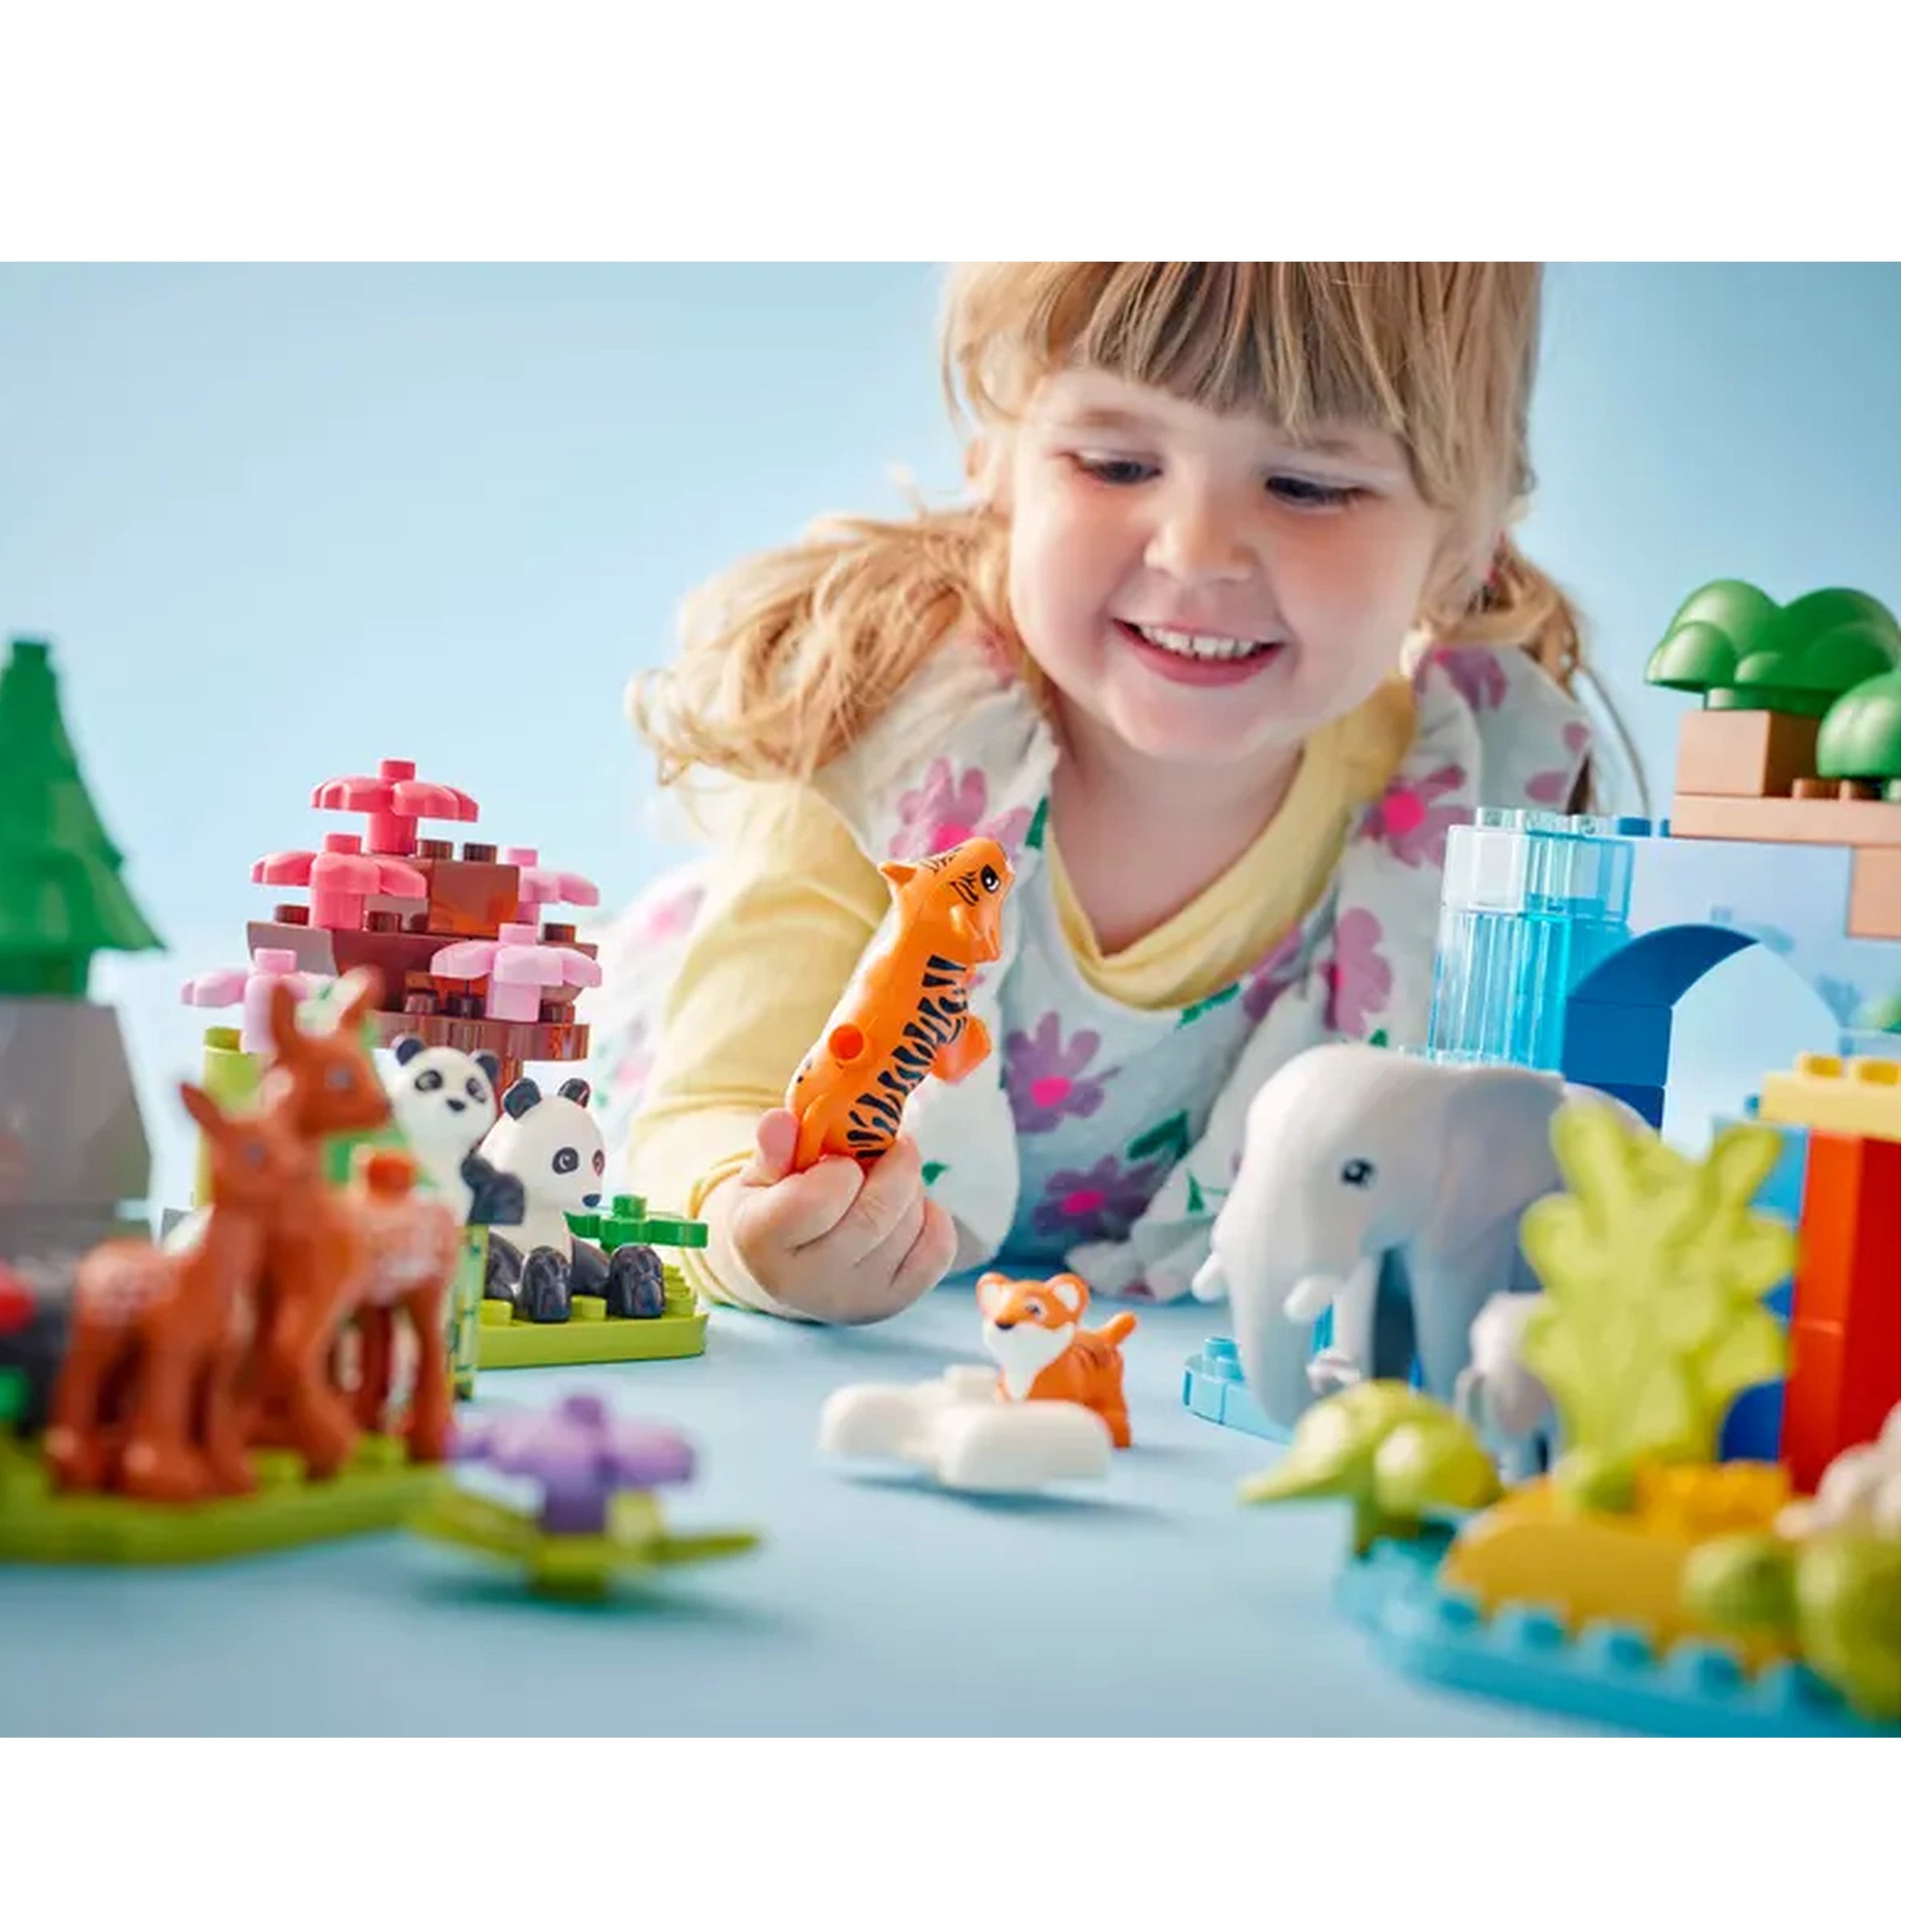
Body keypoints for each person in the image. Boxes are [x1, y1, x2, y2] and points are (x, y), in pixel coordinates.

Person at [598, 262, 1633, 1326]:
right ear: (996, 464)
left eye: (1309, 485)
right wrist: (755, 1232)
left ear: (1462, 541)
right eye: (1116, 461)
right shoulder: (878, 727)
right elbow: (700, 1116)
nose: (1195, 550)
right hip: (656, 1041)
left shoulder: (1455, 814)